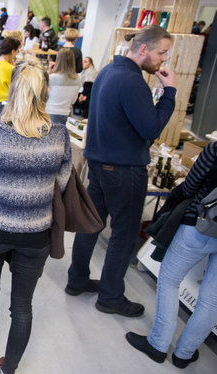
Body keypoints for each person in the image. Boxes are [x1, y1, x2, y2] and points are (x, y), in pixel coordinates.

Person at [0, 57, 71, 374]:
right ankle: (8, 368)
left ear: (13, 92)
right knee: (22, 305)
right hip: (36, 232)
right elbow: (63, 182)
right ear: (45, 93)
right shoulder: (59, 135)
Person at [67, 25, 177, 317]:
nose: (163, 59)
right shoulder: (132, 81)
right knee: (124, 234)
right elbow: (151, 127)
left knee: (91, 223)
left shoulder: (106, 71)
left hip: (100, 163)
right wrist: (170, 93)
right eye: (162, 52)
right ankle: (111, 296)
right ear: (144, 49)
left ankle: (77, 279)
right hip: (124, 169)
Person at [125, 142, 217, 369]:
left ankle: (158, 344)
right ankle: (184, 353)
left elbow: (191, 185)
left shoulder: (215, 149)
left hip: (200, 225)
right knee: (212, 299)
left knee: (169, 280)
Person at [0, 37, 21, 123]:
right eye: (17, 51)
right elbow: (16, 87)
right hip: (7, 105)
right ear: (13, 51)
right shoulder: (10, 68)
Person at [46, 48, 81, 125]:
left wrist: (49, 72)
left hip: (50, 112)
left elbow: (44, 95)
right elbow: (73, 100)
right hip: (65, 113)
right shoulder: (78, 79)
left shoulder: (53, 77)